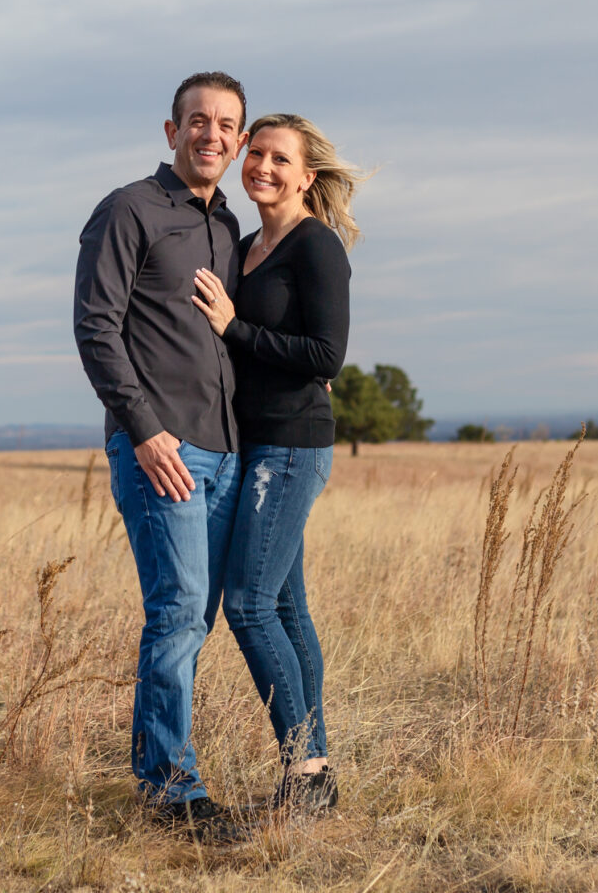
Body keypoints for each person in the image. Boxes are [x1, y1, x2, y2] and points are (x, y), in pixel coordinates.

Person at [73, 71, 249, 841]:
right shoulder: (128, 210)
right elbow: (95, 327)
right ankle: (172, 791)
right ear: (170, 131)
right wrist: (144, 430)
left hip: (224, 452)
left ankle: (165, 767)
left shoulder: (227, 224)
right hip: (161, 452)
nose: (212, 135)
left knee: (193, 620)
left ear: (239, 141)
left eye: (226, 125)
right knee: (175, 616)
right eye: (198, 121)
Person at [192, 113, 362, 812]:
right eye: (254, 153)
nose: (260, 166)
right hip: (252, 439)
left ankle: (306, 770)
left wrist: (234, 327)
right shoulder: (246, 245)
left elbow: (326, 357)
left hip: (291, 444)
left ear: (306, 176)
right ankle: (314, 774)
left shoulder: (314, 246)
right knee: (287, 607)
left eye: (278, 158)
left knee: (251, 605)